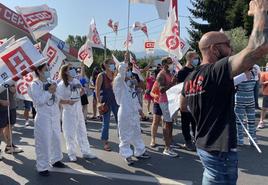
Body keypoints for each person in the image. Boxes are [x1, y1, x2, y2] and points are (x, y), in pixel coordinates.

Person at [180, 1, 268, 184]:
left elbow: (183, 107)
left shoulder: (190, 78)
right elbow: (259, 47)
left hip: (204, 145)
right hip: (220, 152)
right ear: (213, 49)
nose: (231, 49)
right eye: (227, 44)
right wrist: (260, 10)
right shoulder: (215, 71)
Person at [29, 64, 65, 176]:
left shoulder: (51, 81)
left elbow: (57, 98)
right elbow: (39, 101)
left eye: (48, 69)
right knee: (43, 142)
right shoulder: (34, 85)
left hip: (54, 115)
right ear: (39, 71)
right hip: (43, 117)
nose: (48, 71)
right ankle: (42, 166)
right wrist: (49, 92)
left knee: (56, 139)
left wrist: (55, 92)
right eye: (46, 69)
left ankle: (56, 159)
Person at [57, 64, 96, 162]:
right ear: (65, 72)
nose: (73, 70)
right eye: (71, 69)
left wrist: (82, 90)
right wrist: (68, 102)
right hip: (68, 112)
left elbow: (81, 92)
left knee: (82, 131)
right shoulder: (61, 85)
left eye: (73, 68)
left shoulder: (76, 81)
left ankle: (86, 152)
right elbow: (58, 99)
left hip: (78, 110)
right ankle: (72, 153)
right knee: (70, 133)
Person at [113, 63, 150, 165]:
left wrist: (140, 111)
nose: (129, 72)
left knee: (137, 132)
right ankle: (127, 155)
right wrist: (125, 61)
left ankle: (140, 151)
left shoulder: (129, 84)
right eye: (127, 70)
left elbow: (134, 98)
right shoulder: (118, 81)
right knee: (125, 134)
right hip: (124, 112)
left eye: (129, 70)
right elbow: (121, 73)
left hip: (133, 112)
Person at [176, 51, 198, 151]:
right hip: (185, 101)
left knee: (195, 122)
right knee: (185, 122)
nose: (197, 60)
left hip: (195, 100)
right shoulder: (182, 72)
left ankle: (196, 139)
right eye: (195, 58)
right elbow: (180, 88)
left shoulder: (196, 70)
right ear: (189, 59)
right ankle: (188, 141)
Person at [95, 59, 119, 151]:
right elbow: (97, 90)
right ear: (105, 65)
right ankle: (105, 142)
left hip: (116, 101)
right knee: (106, 122)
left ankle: (122, 140)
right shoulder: (101, 76)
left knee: (119, 121)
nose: (113, 65)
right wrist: (98, 102)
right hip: (106, 102)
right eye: (111, 64)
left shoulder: (115, 74)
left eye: (114, 64)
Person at [156, 57, 178, 157]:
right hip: (164, 101)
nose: (171, 64)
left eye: (172, 62)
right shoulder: (161, 74)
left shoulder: (170, 73)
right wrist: (172, 83)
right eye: (169, 63)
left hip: (171, 101)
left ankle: (169, 143)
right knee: (166, 123)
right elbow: (161, 90)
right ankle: (167, 148)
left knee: (170, 123)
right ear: (164, 64)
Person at [234, 69, 257, 146]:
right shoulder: (238, 73)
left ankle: (252, 139)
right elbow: (233, 83)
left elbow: (256, 85)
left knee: (252, 121)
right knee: (239, 122)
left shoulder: (254, 72)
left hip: (251, 101)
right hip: (239, 101)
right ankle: (239, 139)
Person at [0, 85, 23, 157]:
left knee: (9, 126)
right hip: (1, 108)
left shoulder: (9, 75)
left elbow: (14, 90)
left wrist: (13, 89)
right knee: (0, 128)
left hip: (11, 106)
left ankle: (9, 146)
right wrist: (0, 101)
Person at [149, 81, 163, 147]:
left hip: (167, 103)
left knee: (166, 122)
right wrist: (155, 95)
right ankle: (153, 139)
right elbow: (151, 92)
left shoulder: (171, 79)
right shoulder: (158, 81)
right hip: (157, 103)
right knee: (155, 122)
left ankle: (168, 138)